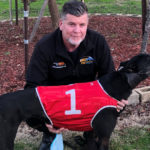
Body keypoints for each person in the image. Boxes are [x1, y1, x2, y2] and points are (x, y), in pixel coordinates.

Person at [25, 0, 128, 149]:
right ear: (61, 24)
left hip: (88, 99)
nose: (77, 30)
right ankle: (50, 134)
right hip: (56, 101)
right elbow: (32, 86)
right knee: (30, 109)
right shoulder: (44, 46)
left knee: (116, 105)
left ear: (87, 25)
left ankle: (92, 134)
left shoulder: (98, 42)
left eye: (82, 25)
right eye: (72, 24)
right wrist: (45, 121)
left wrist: (118, 98)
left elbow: (110, 78)